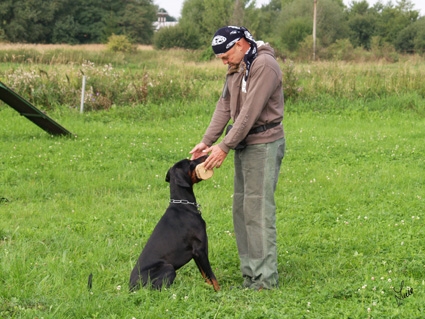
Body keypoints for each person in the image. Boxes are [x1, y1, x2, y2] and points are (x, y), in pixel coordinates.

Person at [190, 26, 285, 290]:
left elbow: (249, 113)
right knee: (242, 211)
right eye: (219, 57)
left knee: (258, 211)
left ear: (241, 43)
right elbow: (225, 105)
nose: (223, 61)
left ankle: (264, 280)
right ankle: (251, 274)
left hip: (263, 143)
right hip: (245, 143)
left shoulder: (264, 64)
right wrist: (207, 141)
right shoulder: (237, 66)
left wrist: (224, 146)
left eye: (225, 55)